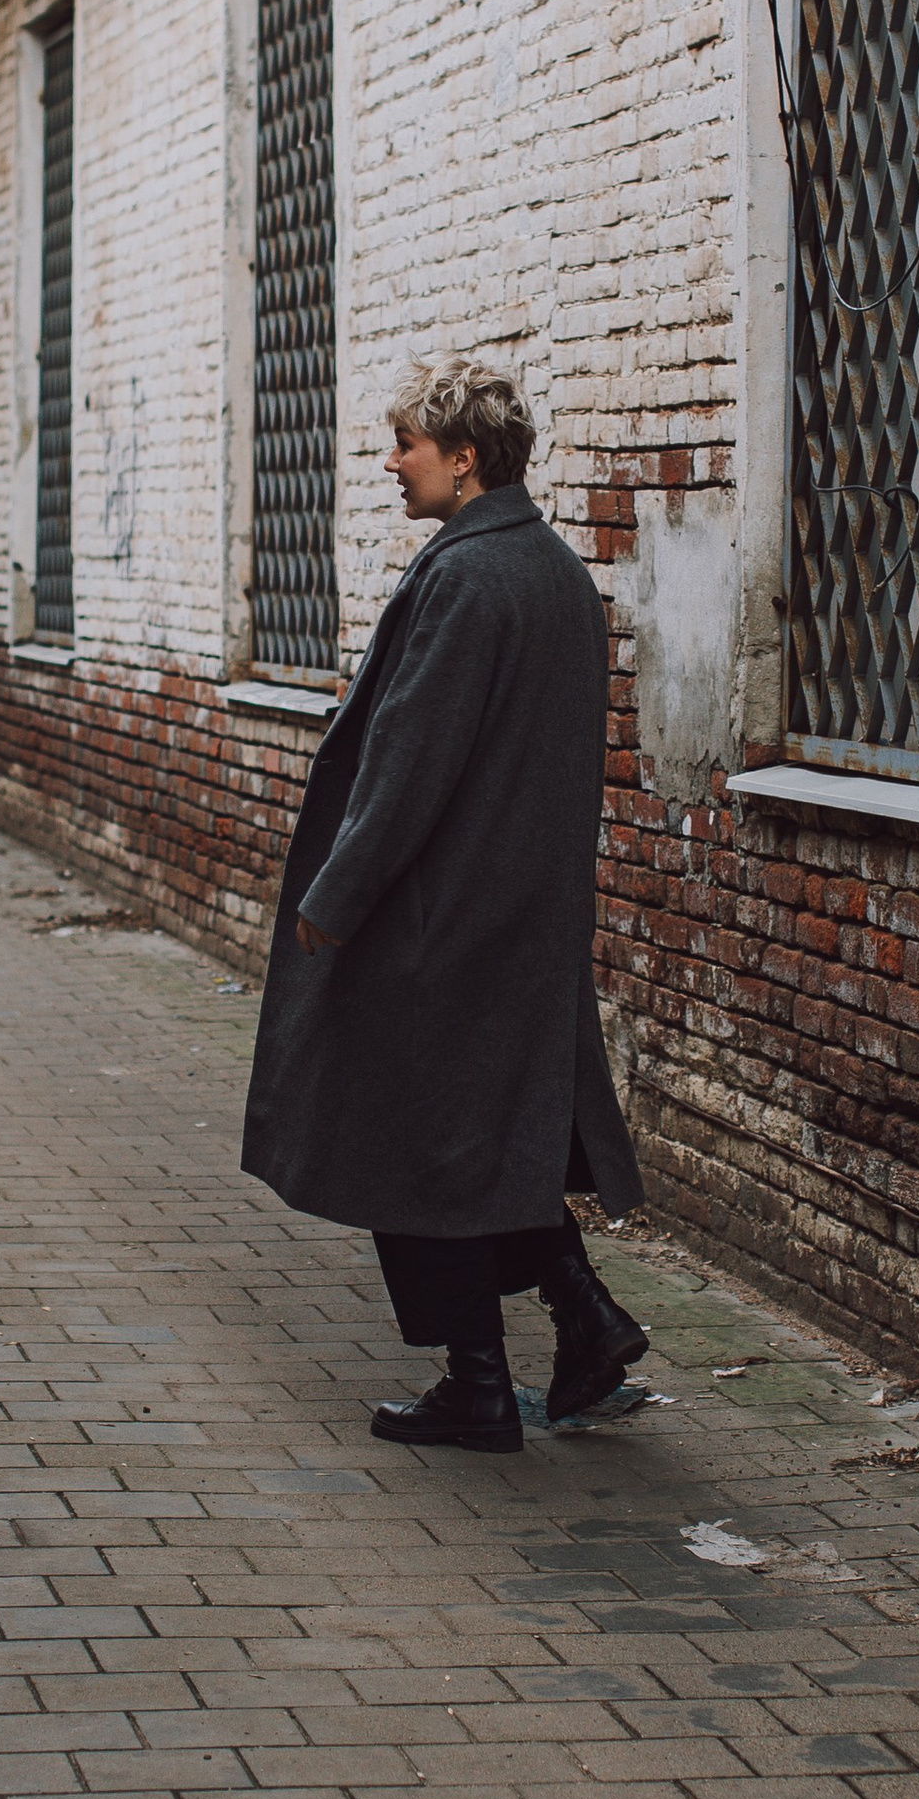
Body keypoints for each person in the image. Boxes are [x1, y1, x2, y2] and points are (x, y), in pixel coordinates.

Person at [240, 357, 649, 1453]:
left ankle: (479, 1383)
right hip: (516, 911)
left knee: (404, 1138)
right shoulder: (554, 570)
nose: (390, 464)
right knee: (479, 1137)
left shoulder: (465, 579)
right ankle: (583, 1314)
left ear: (463, 459)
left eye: (406, 445)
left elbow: (407, 766)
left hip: (433, 917)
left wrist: (336, 897)